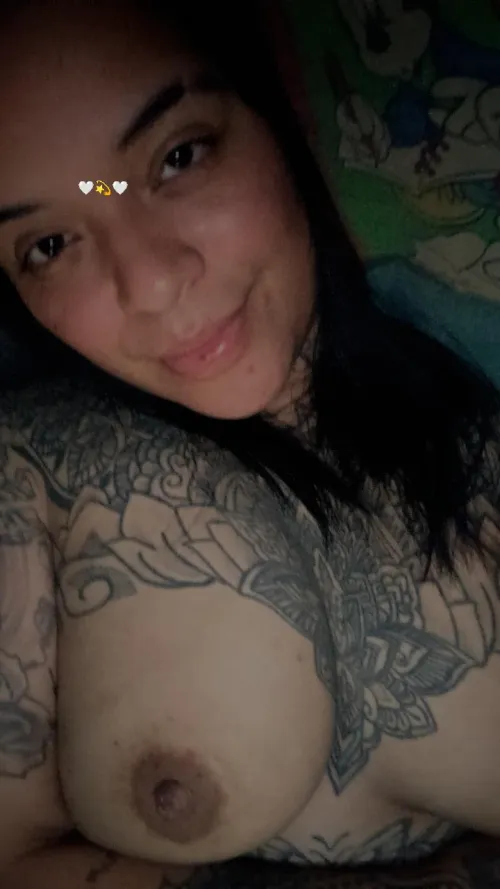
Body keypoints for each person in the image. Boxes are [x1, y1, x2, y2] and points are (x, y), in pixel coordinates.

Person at [0, 0, 500, 887]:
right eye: (49, 243)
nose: (152, 281)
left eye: (178, 157)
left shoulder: (480, 428)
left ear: (282, 115)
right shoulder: (33, 474)